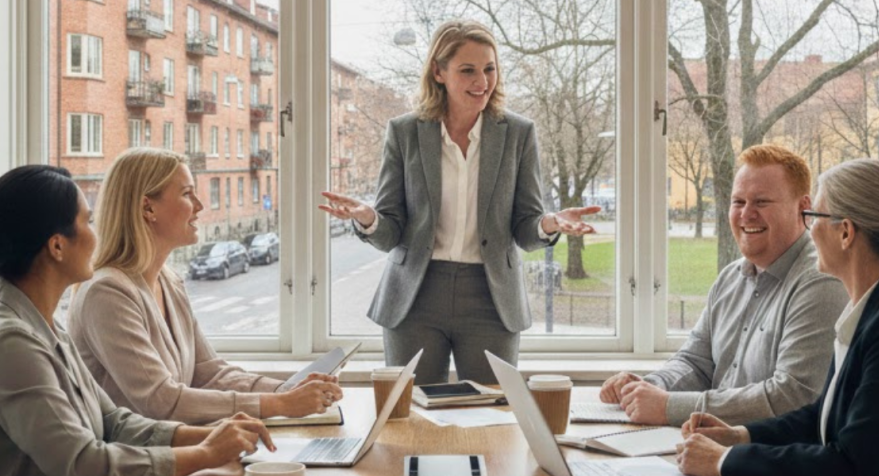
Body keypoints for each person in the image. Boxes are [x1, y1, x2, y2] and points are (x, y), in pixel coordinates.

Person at [320, 20, 599, 385]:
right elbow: (390, 232)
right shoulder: (405, 133)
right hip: (415, 296)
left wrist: (549, 224)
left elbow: (525, 227)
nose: (481, 81)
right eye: (467, 70)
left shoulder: (518, 134)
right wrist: (369, 218)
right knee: (412, 417)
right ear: (438, 71)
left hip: (491, 297)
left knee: (491, 417)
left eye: (489, 69)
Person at [676, 159, 879, 476]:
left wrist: (722, 461)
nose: (810, 229)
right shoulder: (875, 307)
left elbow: (848, 465)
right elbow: (821, 416)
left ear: (846, 232)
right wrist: (739, 435)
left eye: (813, 216)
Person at [0, 165, 278, 476]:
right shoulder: (13, 344)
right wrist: (204, 454)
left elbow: (112, 423)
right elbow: (82, 463)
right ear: (57, 246)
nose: (96, 234)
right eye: (88, 222)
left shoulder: (45, 325)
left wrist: (211, 435)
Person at [68, 148, 343, 425]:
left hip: (178, 451)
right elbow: (160, 401)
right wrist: (279, 403)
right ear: (147, 208)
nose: (199, 205)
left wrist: (287, 389)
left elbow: (209, 374)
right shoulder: (107, 293)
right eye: (187, 194)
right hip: (135, 462)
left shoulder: (169, 280)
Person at [599, 145, 848, 426]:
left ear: (804, 208)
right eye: (738, 202)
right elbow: (695, 362)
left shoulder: (821, 281)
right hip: (710, 448)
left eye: (761, 202)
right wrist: (646, 387)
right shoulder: (730, 278)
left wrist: (669, 406)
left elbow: (793, 396)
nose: (746, 214)